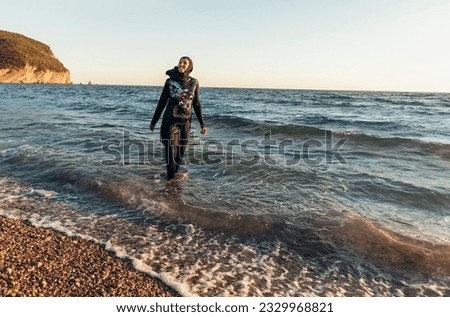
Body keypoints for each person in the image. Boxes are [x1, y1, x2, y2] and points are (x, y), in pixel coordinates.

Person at [149, 56, 207, 180]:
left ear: (189, 66)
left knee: (180, 152)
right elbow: (162, 102)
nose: (181, 64)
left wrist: (202, 124)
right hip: (170, 121)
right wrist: (154, 122)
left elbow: (196, 104)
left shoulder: (194, 82)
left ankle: (172, 178)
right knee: (171, 151)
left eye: (184, 63)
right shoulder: (170, 82)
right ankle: (170, 180)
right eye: (180, 62)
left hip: (186, 122)